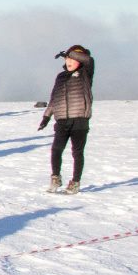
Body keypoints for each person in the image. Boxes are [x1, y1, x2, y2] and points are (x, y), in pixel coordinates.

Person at [38, 44, 94, 194]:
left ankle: (75, 182)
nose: (69, 61)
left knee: (77, 152)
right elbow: (54, 98)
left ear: (79, 60)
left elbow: (89, 59)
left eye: (72, 58)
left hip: (80, 121)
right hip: (62, 120)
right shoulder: (61, 77)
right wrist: (46, 116)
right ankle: (55, 178)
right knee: (56, 150)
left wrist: (69, 52)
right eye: (67, 59)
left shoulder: (85, 74)